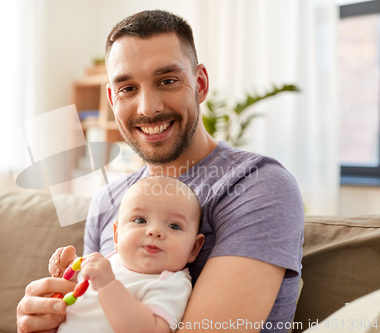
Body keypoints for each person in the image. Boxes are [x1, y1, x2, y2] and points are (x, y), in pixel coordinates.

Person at [17, 9, 304, 333]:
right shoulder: (107, 202)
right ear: (112, 99)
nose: (147, 108)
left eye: (167, 80)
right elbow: (92, 314)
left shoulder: (256, 185)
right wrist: (48, 319)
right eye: (127, 88)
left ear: (199, 84)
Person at [49, 176, 204, 333]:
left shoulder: (172, 283)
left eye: (174, 226)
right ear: (116, 236)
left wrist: (108, 284)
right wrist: (69, 273)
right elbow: (85, 293)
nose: (154, 231)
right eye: (140, 220)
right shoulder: (110, 261)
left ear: (193, 248)